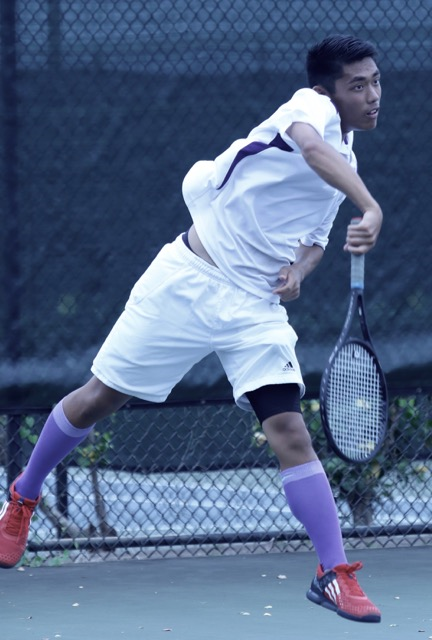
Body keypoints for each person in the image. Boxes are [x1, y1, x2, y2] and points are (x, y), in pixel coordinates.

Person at [0, 34, 383, 623]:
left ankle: (332, 573)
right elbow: (311, 149)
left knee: (288, 428)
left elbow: (313, 241)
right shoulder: (307, 110)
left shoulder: (346, 166)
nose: (373, 95)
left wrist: (299, 272)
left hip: (254, 305)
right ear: (326, 91)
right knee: (100, 397)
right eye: (357, 85)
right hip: (188, 279)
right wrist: (371, 206)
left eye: (376, 82)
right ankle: (24, 494)